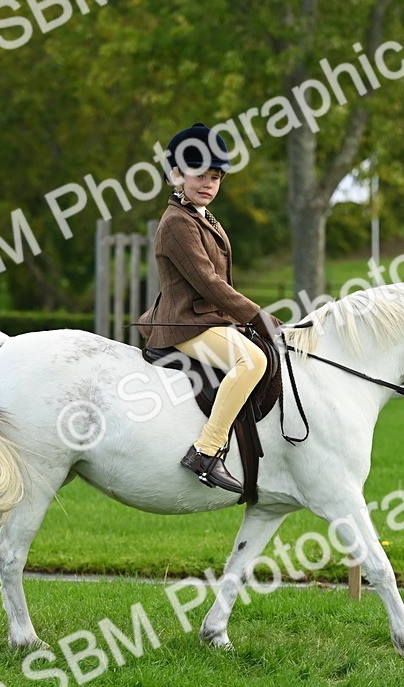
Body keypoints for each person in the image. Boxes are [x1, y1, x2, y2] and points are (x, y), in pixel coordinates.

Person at [136, 122, 281, 493]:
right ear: (176, 175)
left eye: (215, 176)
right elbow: (209, 284)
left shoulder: (204, 218)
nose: (208, 183)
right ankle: (207, 450)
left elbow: (220, 286)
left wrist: (244, 318)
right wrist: (256, 316)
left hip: (205, 320)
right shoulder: (176, 224)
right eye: (199, 174)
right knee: (253, 361)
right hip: (184, 324)